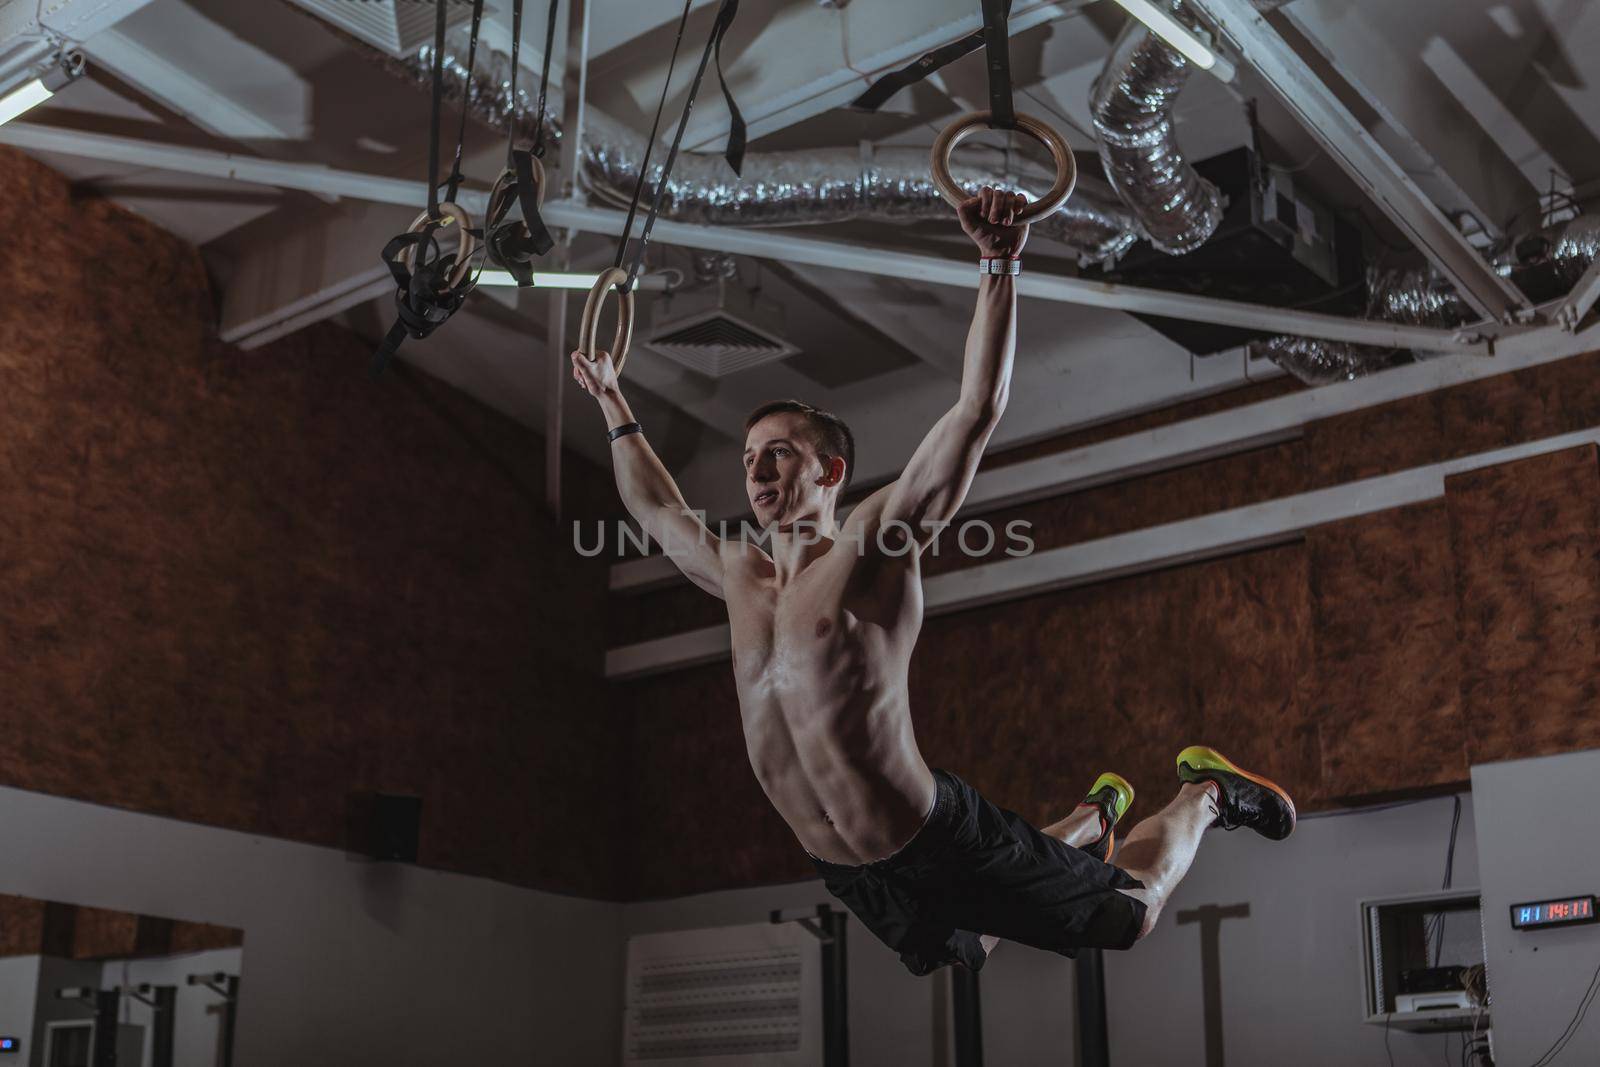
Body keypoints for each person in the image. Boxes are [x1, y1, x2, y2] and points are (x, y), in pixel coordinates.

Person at [572, 187, 1296, 975]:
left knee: (1130, 913)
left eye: (777, 451)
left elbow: (976, 409)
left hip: (935, 837)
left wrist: (998, 263)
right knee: (965, 945)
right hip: (846, 865)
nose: (755, 469)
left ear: (829, 471)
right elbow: (656, 505)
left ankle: (1206, 794)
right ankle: (1091, 816)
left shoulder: (870, 547)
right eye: (748, 458)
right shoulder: (738, 573)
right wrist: (613, 400)